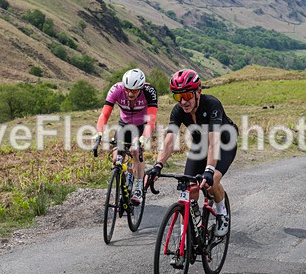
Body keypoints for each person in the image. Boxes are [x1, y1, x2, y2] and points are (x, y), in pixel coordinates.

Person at [147, 69, 238, 237]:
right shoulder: (178, 111)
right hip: (200, 145)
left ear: (198, 92)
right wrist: (158, 165)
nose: (183, 101)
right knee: (190, 189)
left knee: (211, 183)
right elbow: (169, 141)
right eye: (178, 96)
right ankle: (185, 237)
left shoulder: (212, 105)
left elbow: (214, 143)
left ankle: (222, 214)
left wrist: (209, 170)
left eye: (187, 96)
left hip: (224, 144)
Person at [93, 68, 158, 204]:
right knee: (116, 156)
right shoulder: (116, 89)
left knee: (135, 150)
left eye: (134, 91)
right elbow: (104, 115)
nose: (130, 93)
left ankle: (139, 186)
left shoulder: (149, 91)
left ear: (140, 88)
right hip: (124, 124)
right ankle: (124, 177)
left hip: (143, 125)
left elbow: (152, 120)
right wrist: (99, 132)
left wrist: (143, 138)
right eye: (127, 89)